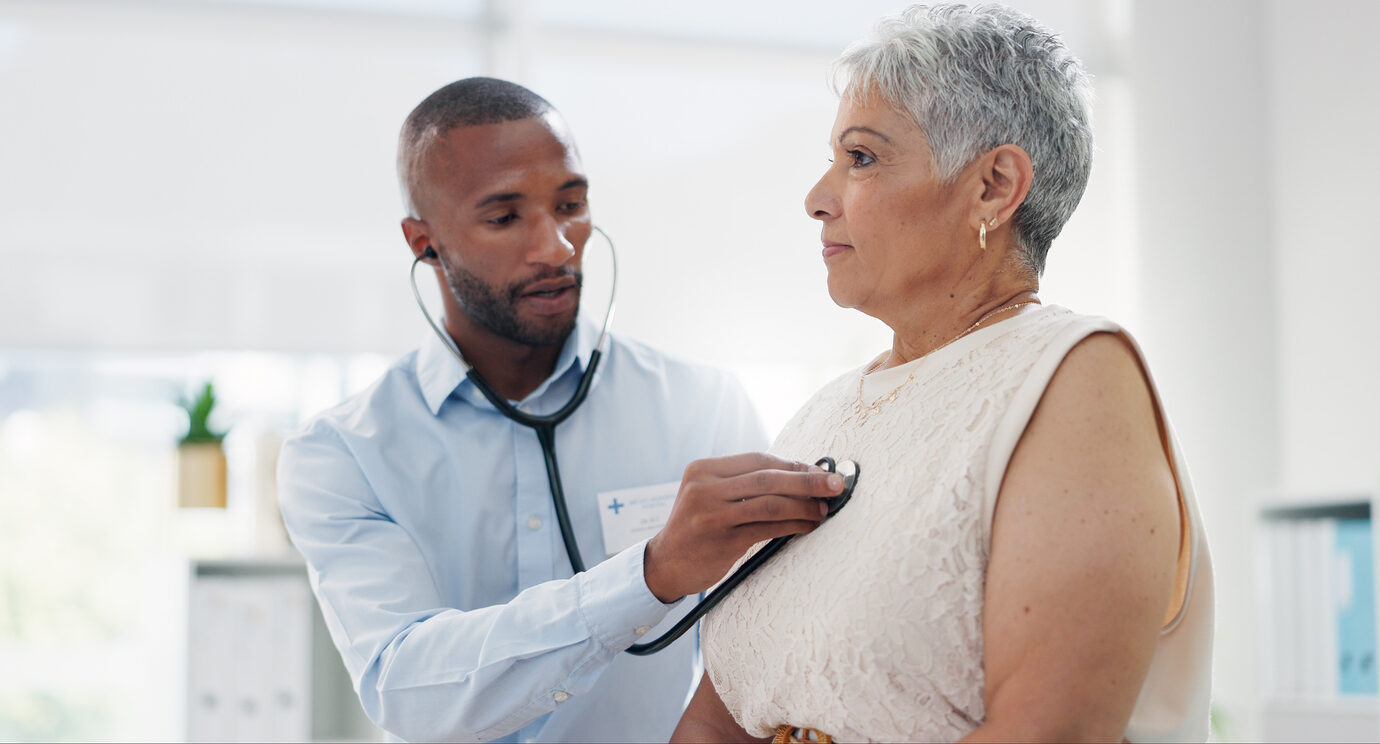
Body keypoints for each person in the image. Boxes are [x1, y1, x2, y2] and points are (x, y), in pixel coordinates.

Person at [675, 5, 1214, 743]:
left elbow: (1047, 733)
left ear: (994, 186)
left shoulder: (1075, 375)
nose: (817, 198)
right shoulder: (822, 416)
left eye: (860, 158)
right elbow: (717, 719)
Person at [277, 77, 846, 743]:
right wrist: (650, 575)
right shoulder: (340, 454)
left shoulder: (702, 405)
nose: (556, 247)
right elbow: (406, 686)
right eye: (504, 217)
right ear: (422, 241)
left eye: (570, 204)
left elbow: (760, 649)